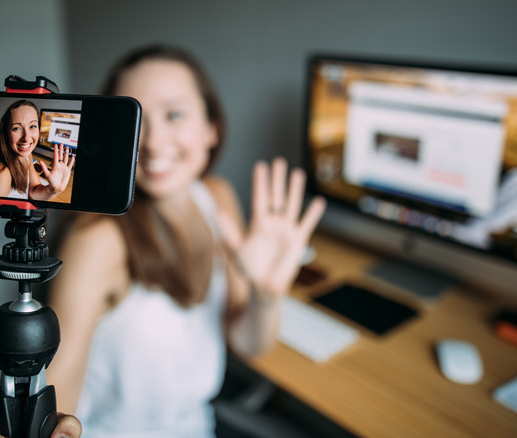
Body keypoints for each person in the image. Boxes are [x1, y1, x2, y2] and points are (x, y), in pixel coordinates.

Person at [44, 44, 326, 437]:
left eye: (174, 114)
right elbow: (56, 394)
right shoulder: (97, 239)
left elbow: (249, 345)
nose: (154, 142)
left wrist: (265, 297)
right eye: (136, 119)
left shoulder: (218, 198)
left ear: (212, 127)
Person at [0, 100, 75, 201]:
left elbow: (33, 191)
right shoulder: (1, 174)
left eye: (32, 126)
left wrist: (53, 190)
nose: (26, 138)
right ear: (5, 133)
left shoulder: (26, 155)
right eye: (17, 128)